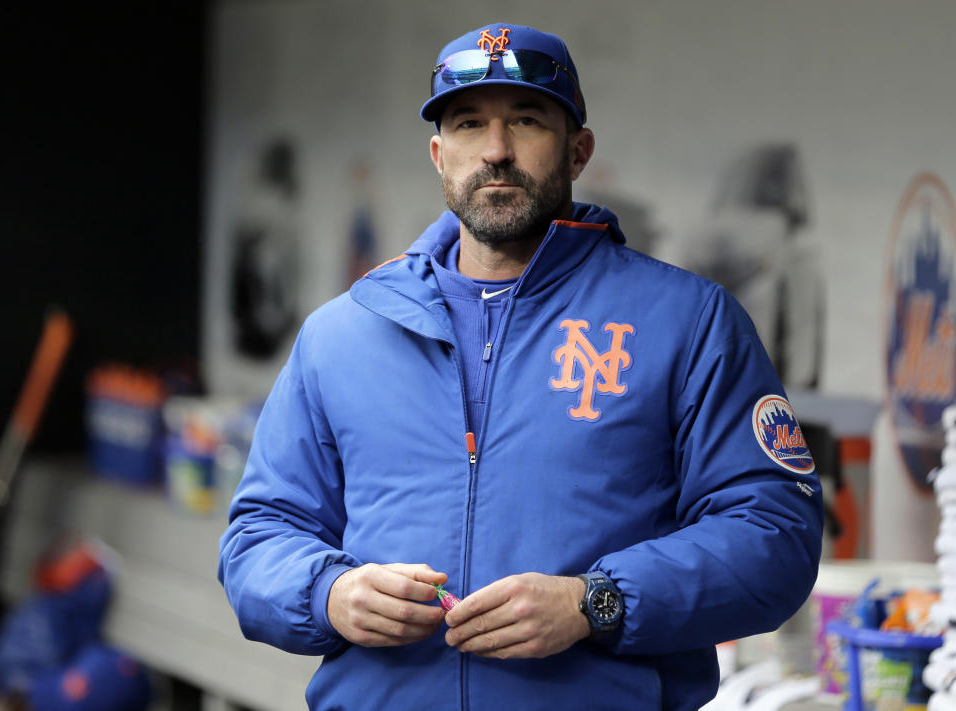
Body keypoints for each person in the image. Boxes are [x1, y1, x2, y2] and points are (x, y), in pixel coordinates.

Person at [217, 22, 823, 711]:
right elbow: (257, 536)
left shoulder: (687, 322)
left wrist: (596, 601)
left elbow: (774, 536)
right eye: (470, 124)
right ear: (440, 155)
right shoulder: (343, 334)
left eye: (527, 121)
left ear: (578, 149)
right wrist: (327, 593)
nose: (496, 151)